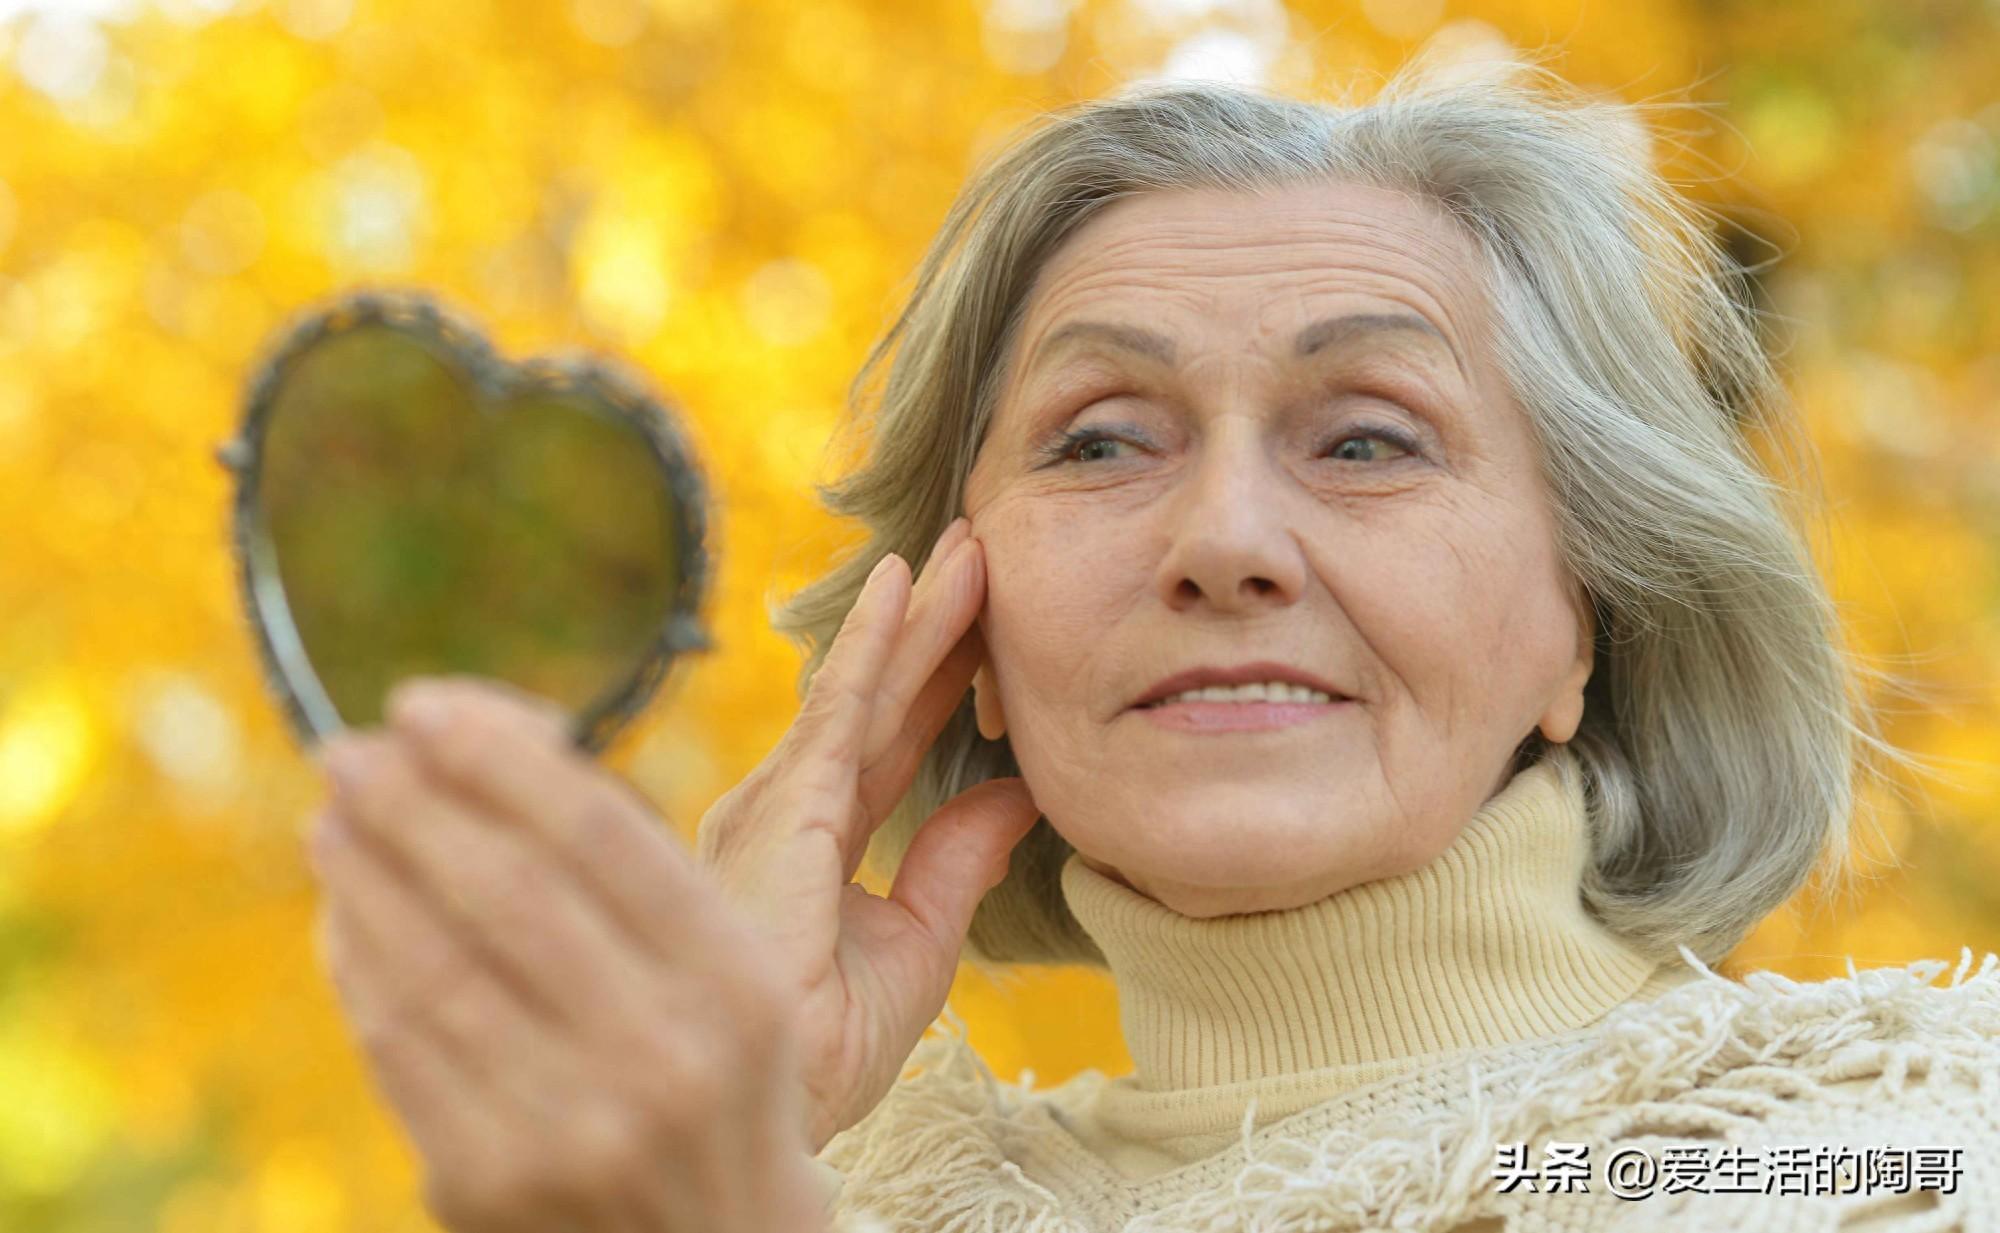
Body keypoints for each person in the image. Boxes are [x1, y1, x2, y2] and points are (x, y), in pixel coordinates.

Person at [303, 53, 2000, 1233]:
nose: (1224, 541)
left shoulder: (1873, 1153)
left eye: (1368, 437)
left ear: (1590, 623)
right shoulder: (818, 1192)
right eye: (1103, 440)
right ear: (957, 620)